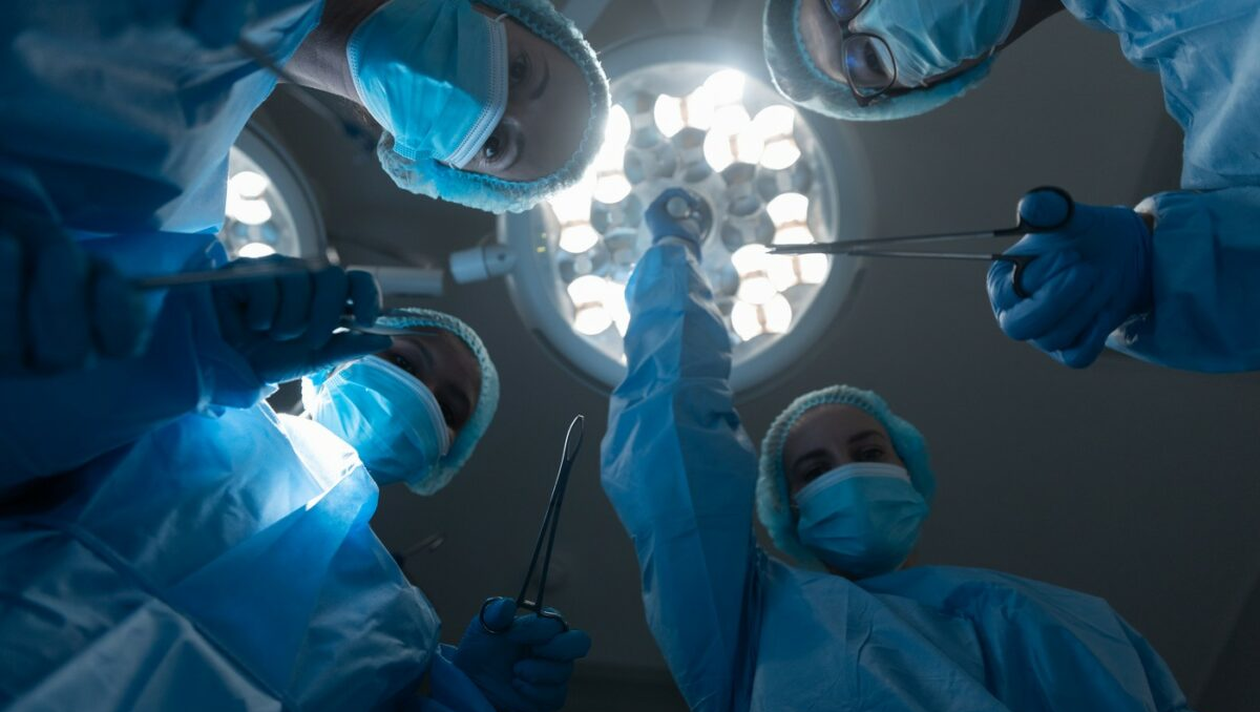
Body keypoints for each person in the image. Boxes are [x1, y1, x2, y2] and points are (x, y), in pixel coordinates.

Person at [600, 188, 1192, 711]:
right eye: (814, 470)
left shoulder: (1062, 621)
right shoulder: (747, 628)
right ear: (786, 512)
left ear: (910, 472)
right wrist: (673, 255)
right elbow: (673, 445)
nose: (849, 476)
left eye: (868, 453)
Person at [0, 306, 591, 712]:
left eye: (449, 409)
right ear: (339, 358)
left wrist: (461, 692)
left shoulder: (397, 629)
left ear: (441, 462)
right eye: (407, 364)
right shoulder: (197, 409)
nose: (420, 395)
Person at [0, 0, 609, 377]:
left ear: (434, 170)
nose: (485, 100)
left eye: (495, 145)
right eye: (521, 70)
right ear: (493, 6)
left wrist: (209, 350)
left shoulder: (169, 190)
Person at [763, 0, 1260, 372]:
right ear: (941, 79)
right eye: (867, 59)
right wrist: (1158, 270)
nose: (873, 16)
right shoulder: (1234, 145)